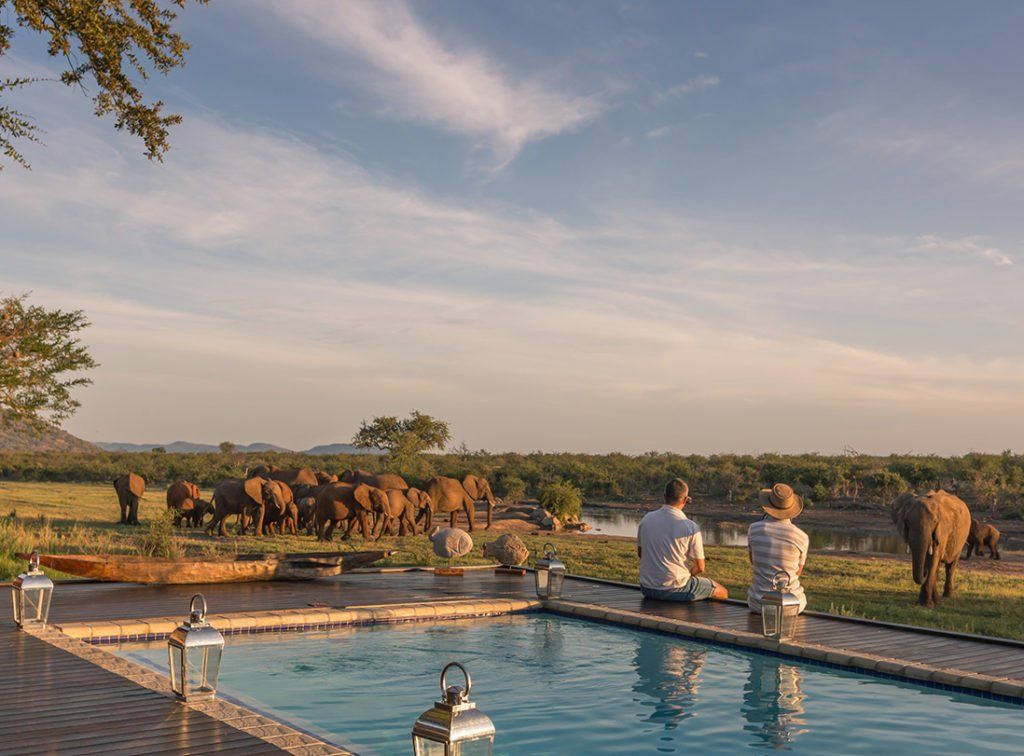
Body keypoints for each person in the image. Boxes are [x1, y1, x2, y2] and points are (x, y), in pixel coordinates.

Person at [637, 478, 729, 602]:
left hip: (647, 588)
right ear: (686, 500)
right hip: (675, 588)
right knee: (722, 592)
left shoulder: (646, 519)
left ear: (664, 496)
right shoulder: (690, 526)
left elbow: (641, 554)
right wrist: (687, 575)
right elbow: (700, 567)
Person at [747, 483, 809, 614]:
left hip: (758, 604)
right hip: (791, 605)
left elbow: (753, 561)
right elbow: (797, 571)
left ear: (767, 506)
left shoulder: (754, 529)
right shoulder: (802, 537)